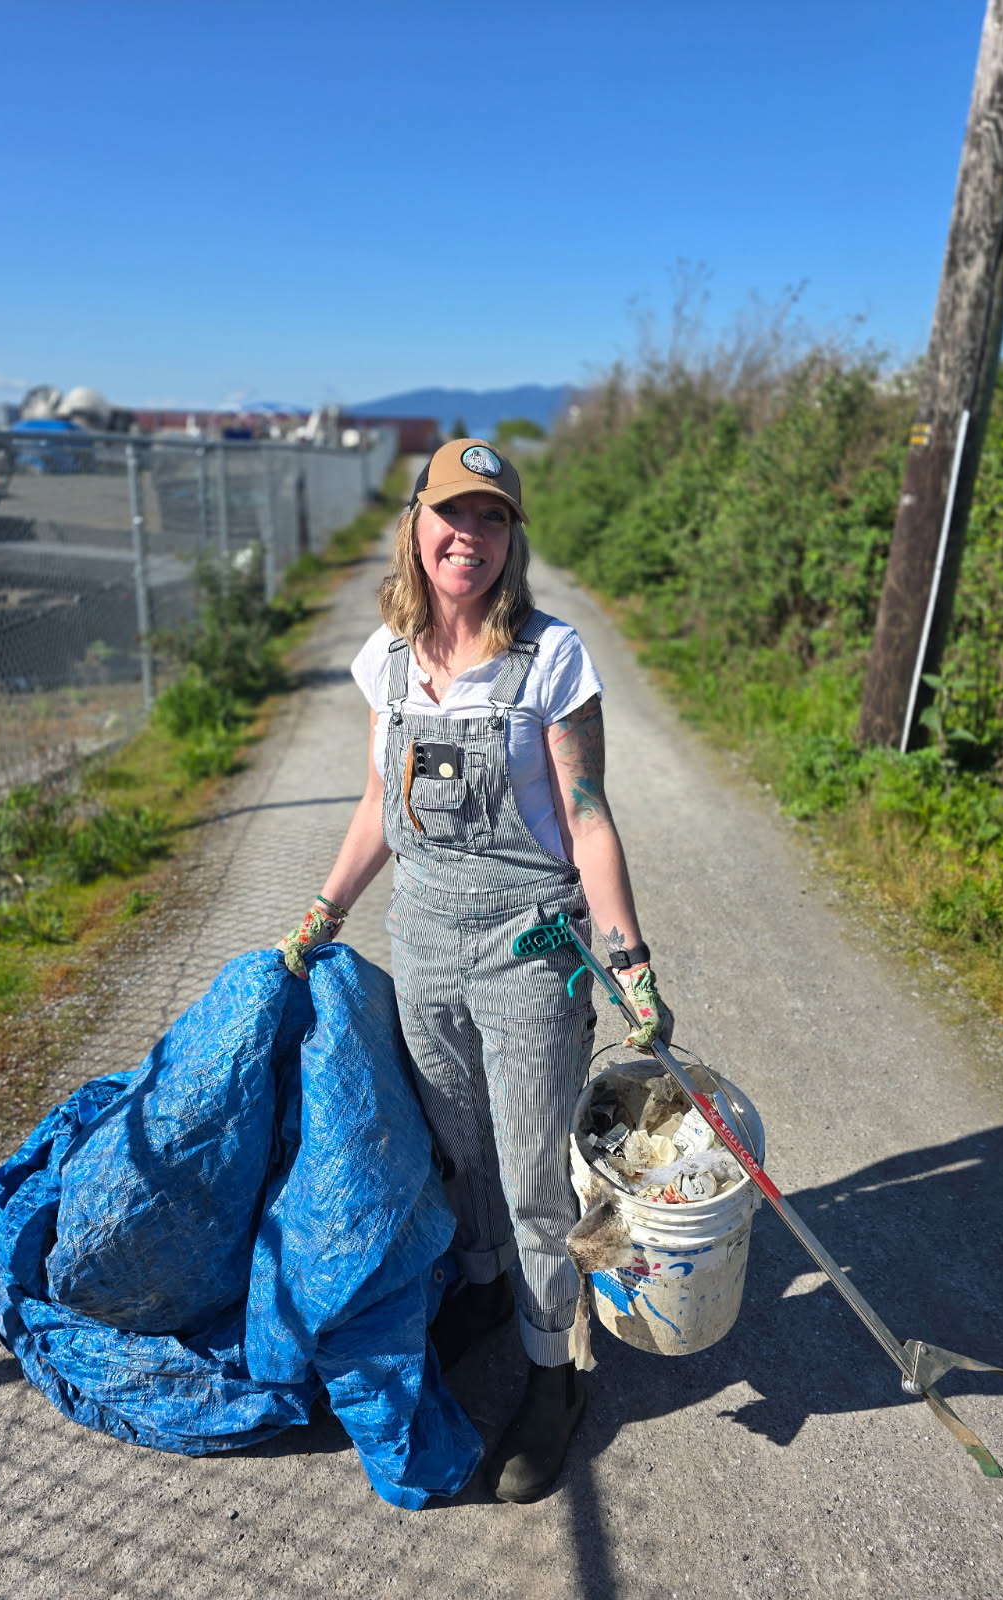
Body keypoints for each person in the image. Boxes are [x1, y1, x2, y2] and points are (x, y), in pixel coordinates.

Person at [279, 438, 671, 1504]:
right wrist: (326, 908)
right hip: (423, 935)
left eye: (493, 518)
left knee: (537, 1169)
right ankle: (491, 1289)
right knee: (458, 1143)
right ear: (416, 524)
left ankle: (556, 1370)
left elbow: (588, 817)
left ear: (514, 538)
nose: (470, 536)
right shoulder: (389, 659)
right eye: (452, 514)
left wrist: (627, 955)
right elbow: (375, 805)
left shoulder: (552, 660)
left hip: (530, 943)